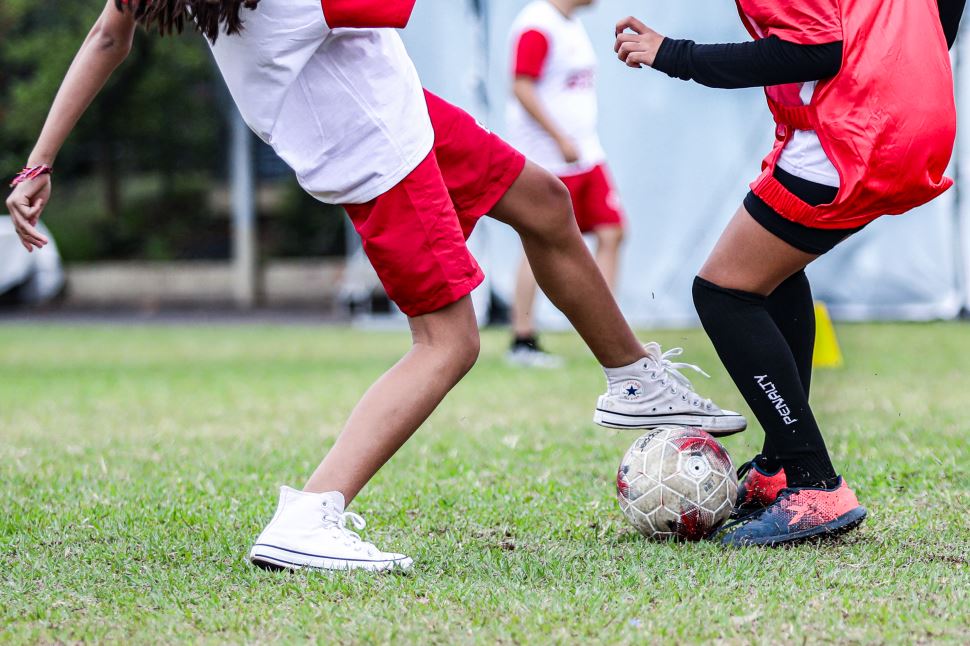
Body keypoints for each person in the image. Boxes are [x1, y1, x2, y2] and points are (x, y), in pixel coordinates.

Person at [6, 0, 746, 572]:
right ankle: (310, 514)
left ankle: (633, 379)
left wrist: (39, 162)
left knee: (545, 203)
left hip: (394, 107)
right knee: (448, 343)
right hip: (377, 151)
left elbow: (109, 34)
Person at [613, 0, 965, 546]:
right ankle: (780, 464)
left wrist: (673, 54)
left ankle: (814, 482)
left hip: (858, 124)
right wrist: (911, 64)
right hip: (903, 115)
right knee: (768, 275)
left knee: (723, 292)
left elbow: (814, 48)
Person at [505, 0, 627, 369]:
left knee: (612, 232)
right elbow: (521, 87)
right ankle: (522, 338)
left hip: (587, 154)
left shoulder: (569, 23)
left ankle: (605, 329)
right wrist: (558, 137)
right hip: (551, 158)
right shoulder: (537, 24)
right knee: (539, 243)